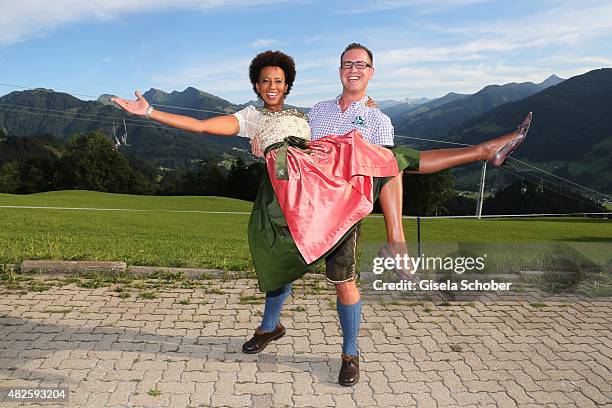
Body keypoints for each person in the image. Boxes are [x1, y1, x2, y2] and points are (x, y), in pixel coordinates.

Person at [112, 47, 531, 387]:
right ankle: (269, 328)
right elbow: (203, 127)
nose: (272, 86)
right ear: (257, 86)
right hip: (286, 199)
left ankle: (351, 353)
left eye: (279, 81)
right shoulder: (270, 116)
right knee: (278, 270)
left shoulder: (313, 118)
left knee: (382, 171)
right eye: (266, 81)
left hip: (331, 198)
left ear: (287, 85)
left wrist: (395, 233)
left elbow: (385, 174)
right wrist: (149, 112)